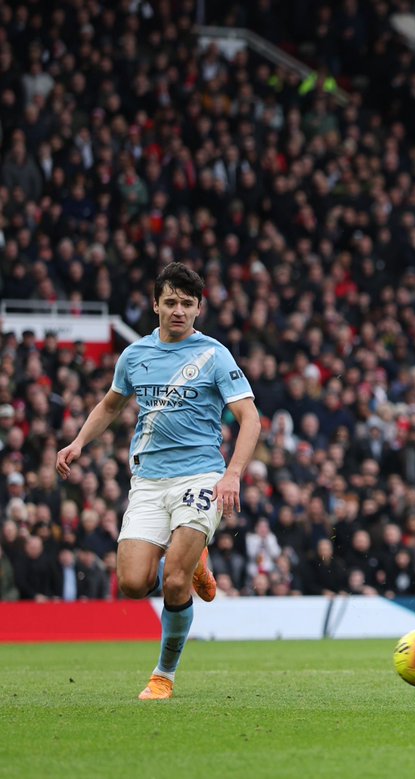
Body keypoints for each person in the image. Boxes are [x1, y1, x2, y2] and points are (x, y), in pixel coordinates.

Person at [56, 262, 261, 699]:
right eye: (171, 302)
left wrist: (233, 474)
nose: (179, 311)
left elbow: (250, 418)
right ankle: (195, 567)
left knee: (173, 581)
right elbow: (111, 406)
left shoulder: (213, 354)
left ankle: (163, 675)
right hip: (147, 481)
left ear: (198, 309)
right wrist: (78, 443)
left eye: (187, 304)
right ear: (155, 305)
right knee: (132, 583)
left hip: (201, 476)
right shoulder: (135, 356)